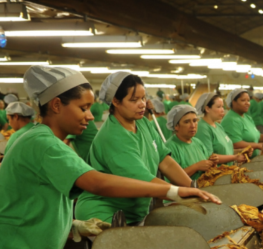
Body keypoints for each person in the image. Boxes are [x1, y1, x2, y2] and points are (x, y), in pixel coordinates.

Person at [0, 66, 218, 249]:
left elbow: (33, 203)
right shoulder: (42, 143)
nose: (90, 115)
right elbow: (97, 182)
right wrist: (173, 191)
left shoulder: (51, 142)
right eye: (83, 108)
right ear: (55, 105)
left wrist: (73, 226)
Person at [75, 71, 195, 225]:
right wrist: (179, 193)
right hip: (104, 212)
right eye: (134, 100)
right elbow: (141, 180)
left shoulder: (142, 123)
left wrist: (191, 187)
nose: (142, 104)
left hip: (134, 210)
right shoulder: (113, 136)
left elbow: (165, 161)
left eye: (143, 98)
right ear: (116, 102)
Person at [165, 105, 238, 180]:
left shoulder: (197, 142)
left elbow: (207, 168)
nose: (193, 125)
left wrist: (212, 162)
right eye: (187, 122)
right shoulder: (170, 147)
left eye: (195, 120)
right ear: (176, 126)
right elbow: (172, 177)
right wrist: (196, 167)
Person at [222, 88, 263, 157]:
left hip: (252, 159)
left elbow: (257, 137)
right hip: (240, 161)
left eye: (248, 100)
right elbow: (235, 143)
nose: (247, 103)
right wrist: (257, 145)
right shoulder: (231, 119)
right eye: (243, 100)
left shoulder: (247, 117)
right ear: (233, 102)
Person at [194, 92, 241, 165]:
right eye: (219, 107)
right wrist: (235, 157)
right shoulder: (202, 128)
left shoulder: (218, 125)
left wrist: (241, 151)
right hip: (217, 173)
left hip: (228, 170)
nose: (222, 110)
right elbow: (209, 157)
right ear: (207, 109)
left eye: (222, 107)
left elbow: (226, 151)